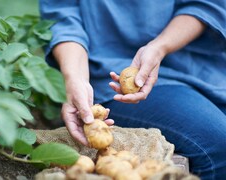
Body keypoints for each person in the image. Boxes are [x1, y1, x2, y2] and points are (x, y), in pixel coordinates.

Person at [39, 0, 226, 179]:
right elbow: (62, 17)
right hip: (107, 71)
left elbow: (205, 5)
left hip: (202, 66)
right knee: (219, 143)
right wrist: (76, 78)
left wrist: (160, 47)